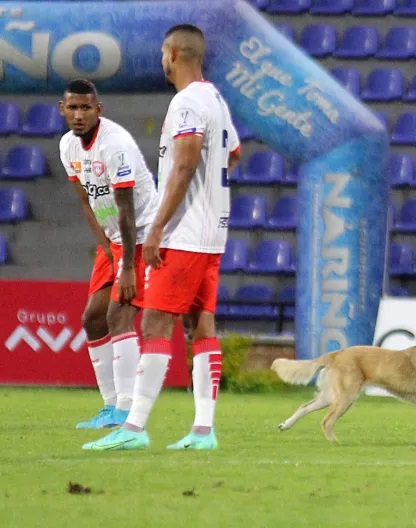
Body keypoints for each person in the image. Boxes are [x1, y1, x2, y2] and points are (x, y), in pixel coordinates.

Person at [84, 24, 240, 451]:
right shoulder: (217, 100)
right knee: (201, 324)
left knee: (154, 322)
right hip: (212, 234)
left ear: (173, 53)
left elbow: (185, 166)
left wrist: (156, 229)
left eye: (162, 53)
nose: (160, 60)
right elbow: (234, 153)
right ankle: (203, 431)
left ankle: (133, 428)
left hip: (184, 235)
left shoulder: (187, 102)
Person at [59, 79, 158, 429]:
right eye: (72, 107)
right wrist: (105, 247)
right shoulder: (67, 146)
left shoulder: (114, 145)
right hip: (114, 240)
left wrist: (127, 264)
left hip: (144, 236)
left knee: (119, 316)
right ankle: (110, 405)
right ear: (62, 109)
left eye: (86, 107)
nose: (79, 114)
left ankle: (128, 411)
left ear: (98, 109)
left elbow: (126, 208)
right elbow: (86, 199)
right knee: (92, 318)